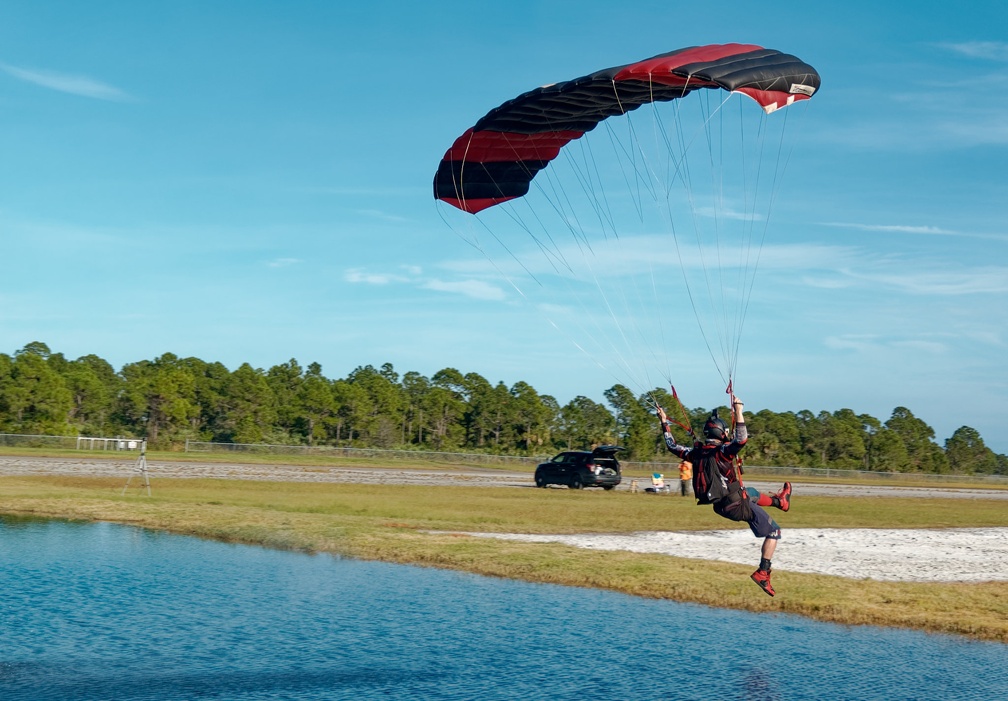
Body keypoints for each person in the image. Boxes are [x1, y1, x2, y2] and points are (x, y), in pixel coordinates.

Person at [655, 396, 791, 597]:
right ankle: (763, 571)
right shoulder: (722, 452)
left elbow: (672, 446)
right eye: (726, 432)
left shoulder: (696, 453)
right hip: (736, 504)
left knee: (750, 493)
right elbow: (741, 439)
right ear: (721, 433)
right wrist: (738, 410)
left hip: (722, 505)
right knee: (774, 532)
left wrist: (664, 421)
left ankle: (780, 502)